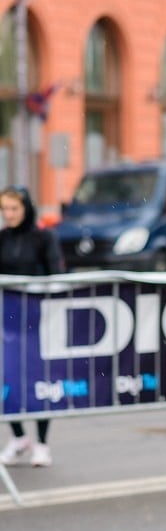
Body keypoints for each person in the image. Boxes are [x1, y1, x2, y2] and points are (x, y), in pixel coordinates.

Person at [0, 185, 63, 468]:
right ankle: (17, 437)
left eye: (14, 208)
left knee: (36, 381)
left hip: (35, 322)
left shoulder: (43, 238)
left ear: (26, 209)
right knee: (7, 381)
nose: (8, 214)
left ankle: (41, 443)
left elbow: (57, 275)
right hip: (6, 322)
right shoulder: (2, 238)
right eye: (4, 209)